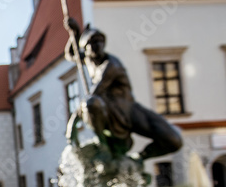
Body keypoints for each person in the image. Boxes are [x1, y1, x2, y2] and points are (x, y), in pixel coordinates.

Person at [67, 26, 182, 164]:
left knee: (173, 140)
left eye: (100, 41)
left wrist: (72, 123)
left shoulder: (111, 65)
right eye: (92, 43)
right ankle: (102, 143)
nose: (97, 45)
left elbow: (94, 93)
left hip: (127, 108)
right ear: (85, 48)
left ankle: (140, 157)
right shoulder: (88, 59)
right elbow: (70, 55)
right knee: (92, 104)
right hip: (108, 110)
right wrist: (74, 34)